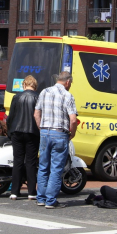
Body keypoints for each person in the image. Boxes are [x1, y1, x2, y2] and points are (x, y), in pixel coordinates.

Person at [34, 71, 78, 209]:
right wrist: (72, 133)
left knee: (43, 166)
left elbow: (36, 114)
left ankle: (40, 198)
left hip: (45, 131)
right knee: (56, 168)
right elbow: (73, 119)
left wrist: (41, 129)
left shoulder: (44, 92)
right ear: (68, 82)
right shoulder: (67, 95)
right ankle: (50, 200)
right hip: (60, 133)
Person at [6, 75, 40, 201]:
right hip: (32, 132)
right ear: (35, 85)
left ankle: (14, 191)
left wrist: (10, 132)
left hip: (17, 131)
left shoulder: (16, 97)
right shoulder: (38, 97)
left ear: (24, 85)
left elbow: (10, 117)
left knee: (18, 161)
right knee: (31, 162)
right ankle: (32, 192)